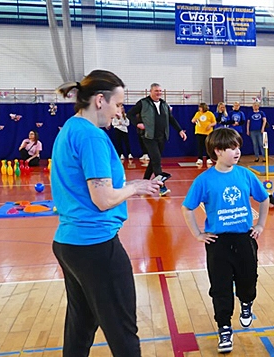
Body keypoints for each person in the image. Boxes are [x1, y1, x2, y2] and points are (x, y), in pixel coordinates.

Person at [51, 70, 161, 356]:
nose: (119, 112)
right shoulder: (91, 136)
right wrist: (135, 187)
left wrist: (131, 186)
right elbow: (103, 199)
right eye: (118, 105)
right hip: (95, 246)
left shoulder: (70, 129)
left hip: (69, 244)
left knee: (81, 325)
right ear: (100, 100)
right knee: (122, 330)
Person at [181, 128, 269, 354]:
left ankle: (246, 304)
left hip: (244, 239)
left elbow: (264, 198)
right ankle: (224, 328)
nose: (237, 151)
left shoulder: (246, 174)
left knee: (248, 281)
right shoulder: (204, 180)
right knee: (220, 288)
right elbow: (187, 207)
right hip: (218, 243)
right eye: (231, 148)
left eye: (238, 146)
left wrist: (260, 225)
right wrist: (197, 234)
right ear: (217, 151)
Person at [127, 83, 187, 196]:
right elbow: (130, 114)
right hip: (149, 136)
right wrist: (138, 123)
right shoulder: (143, 103)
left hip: (162, 137)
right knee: (157, 161)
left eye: (160, 91)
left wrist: (180, 130)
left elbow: (171, 118)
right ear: (151, 91)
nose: (158, 93)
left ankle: (144, 182)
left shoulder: (164, 104)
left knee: (155, 161)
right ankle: (162, 188)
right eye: (156, 91)